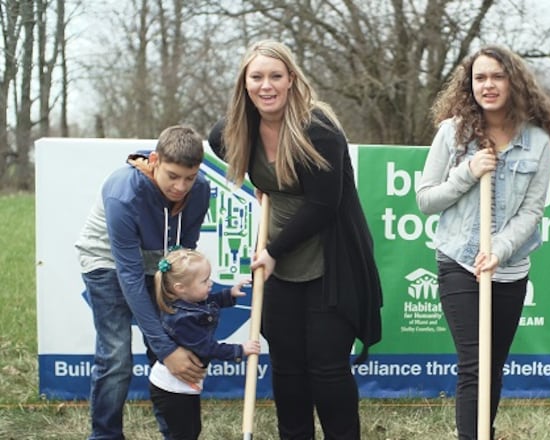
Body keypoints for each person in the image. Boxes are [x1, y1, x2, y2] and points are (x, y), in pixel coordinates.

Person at [208, 39, 383, 440]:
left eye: (275, 76)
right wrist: (260, 180)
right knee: (287, 366)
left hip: (330, 260)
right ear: (245, 83)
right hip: (279, 266)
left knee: (327, 368)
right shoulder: (237, 129)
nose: (265, 85)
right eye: (257, 77)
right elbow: (219, 142)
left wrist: (271, 251)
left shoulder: (318, 131)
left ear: (291, 80)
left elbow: (324, 205)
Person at [416, 45, 550, 439]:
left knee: (493, 365)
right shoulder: (452, 133)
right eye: (480, 77)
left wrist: (498, 249)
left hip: (509, 267)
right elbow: (426, 199)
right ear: (470, 84)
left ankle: (486, 430)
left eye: (497, 76)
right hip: (459, 264)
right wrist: (467, 171)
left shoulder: (537, 142)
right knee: (474, 363)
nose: (488, 84)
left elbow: (532, 212)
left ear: (513, 82)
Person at [75, 125, 211, 440]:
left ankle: (178, 434)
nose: (181, 187)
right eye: (173, 176)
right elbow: (130, 276)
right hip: (107, 260)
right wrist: (165, 349)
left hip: (159, 260)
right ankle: (105, 435)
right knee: (117, 354)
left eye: (189, 178)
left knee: (174, 341)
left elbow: (183, 257)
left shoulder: (200, 190)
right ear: (154, 160)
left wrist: (170, 341)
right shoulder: (124, 193)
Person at [148, 248, 261, 440]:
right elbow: (207, 347)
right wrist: (239, 350)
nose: (210, 284)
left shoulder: (190, 303)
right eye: (204, 281)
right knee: (183, 434)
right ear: (179, 288)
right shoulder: (181, 319)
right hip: (171, 389)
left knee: (192, 430)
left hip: (183, 386)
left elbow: (210, 302)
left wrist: (230, 294)